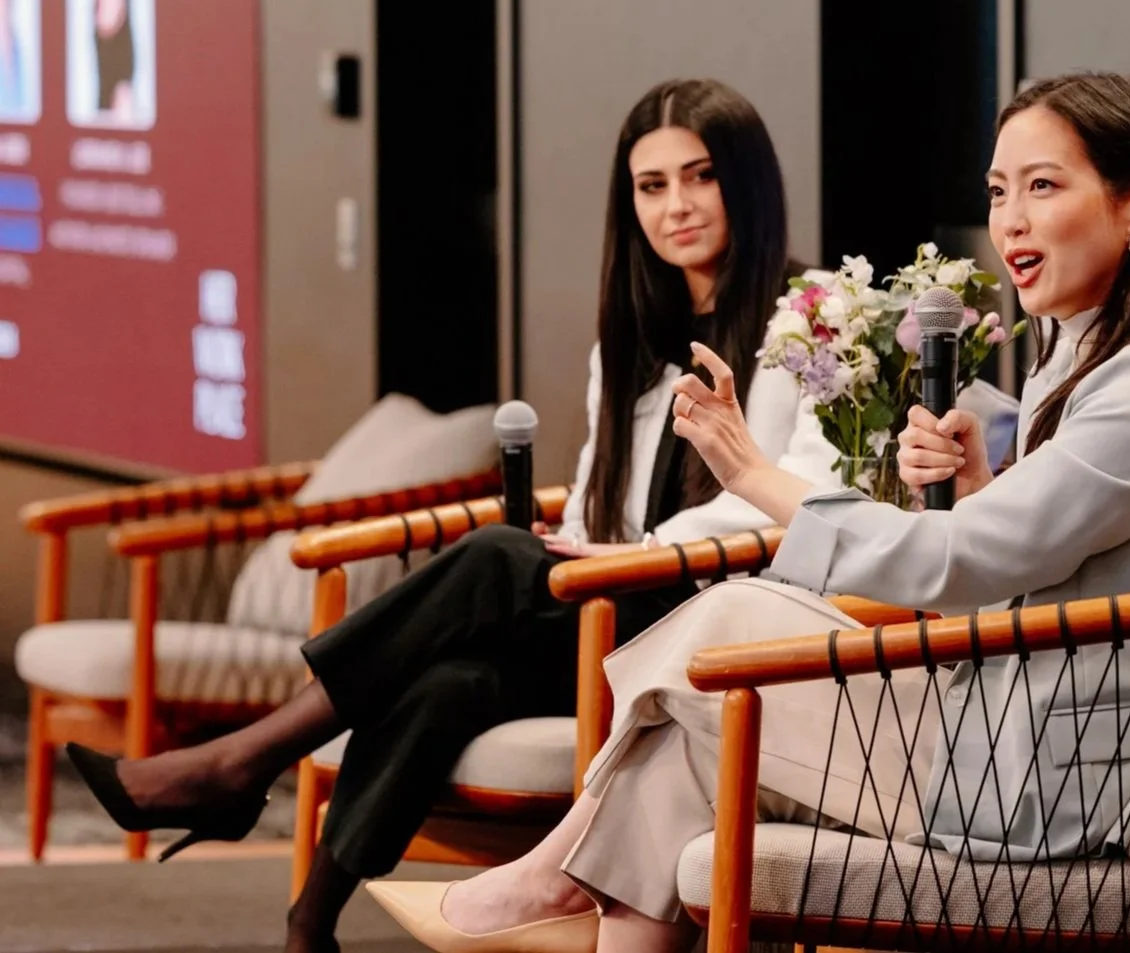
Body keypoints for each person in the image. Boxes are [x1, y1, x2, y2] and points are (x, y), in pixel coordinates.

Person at [369, 72, 1130, 953]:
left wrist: (751, 473)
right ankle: (557, 878)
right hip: (1004, 727)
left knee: (730, 618)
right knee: (682, 752)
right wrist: (977, 488)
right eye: (998, 191)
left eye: (1042, 186)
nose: (1009, 220)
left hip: (1042, 777)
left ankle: (549, 874)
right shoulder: (1089, 360)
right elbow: (1023, 568)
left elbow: (956, 566)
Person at [64, 77, 838, 953]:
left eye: (700, 177)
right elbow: (600, 494)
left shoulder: (809, 320)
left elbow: (802, 497)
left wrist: (633, 553)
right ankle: (309, 923)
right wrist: (580, 545)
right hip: (614, 607)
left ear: (747, 180)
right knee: (449, 680)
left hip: (712, 618)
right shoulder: (629, 335)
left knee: (496, 555)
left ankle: (238, 761)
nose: (676, 207)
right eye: (650, 186)